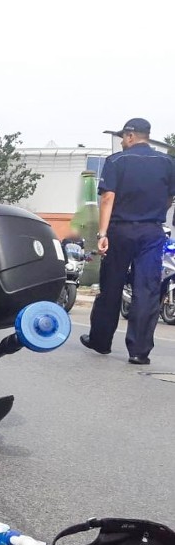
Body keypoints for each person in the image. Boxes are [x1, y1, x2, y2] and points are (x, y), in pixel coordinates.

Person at [80, 118, 175, 365]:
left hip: (120, 231)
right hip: (152, 232)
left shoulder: (117, 161)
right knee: (147, 290)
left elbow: (108, 198)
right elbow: (169, 198)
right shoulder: (168, 163)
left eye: (123, 137)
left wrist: (102, 234)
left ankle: (100, 341)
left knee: (111, 286)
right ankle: (139, 351)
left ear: (131, 135)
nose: (122, 141)